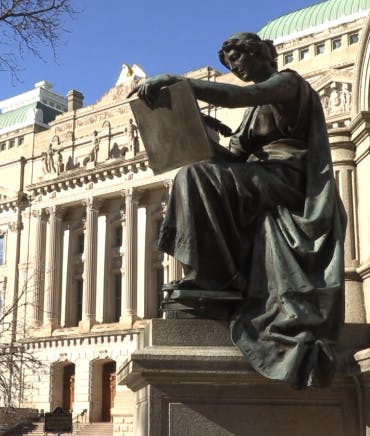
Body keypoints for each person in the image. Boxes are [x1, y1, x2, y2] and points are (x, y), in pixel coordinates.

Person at [133, 32, 346, 389]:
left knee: (198, 178)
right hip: (262, 176)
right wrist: (202, 133)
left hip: (290, 179)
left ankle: (216, 276)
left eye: (239, 59)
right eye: (230, 63)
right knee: (193, 174)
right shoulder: (254, 111)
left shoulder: (287, 83)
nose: (235, 67)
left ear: (261, 53)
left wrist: (182, 85)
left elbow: (241, 95)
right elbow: (234, 160)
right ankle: (213, 276)